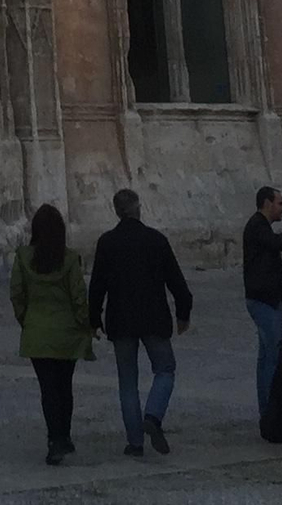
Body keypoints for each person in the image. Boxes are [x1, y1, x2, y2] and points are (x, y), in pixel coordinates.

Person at [88, 188, 192, 458]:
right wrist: (183, 313)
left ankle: (135, 443)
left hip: (121, 320)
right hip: (153, 317)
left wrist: (93, 318)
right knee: (165, 369)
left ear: (116, 211)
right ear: (138, 208)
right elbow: (177, 281)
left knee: (127, 382)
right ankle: (154, 415)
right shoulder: (155, 240)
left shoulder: (107, 242)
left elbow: (97, 284)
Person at [11, 203, 91, 467]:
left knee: (48, 389)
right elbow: (78, 296)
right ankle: (63, 436)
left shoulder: (22, 257)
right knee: (64, 387)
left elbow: (17, 295)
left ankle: (53, 438)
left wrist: (27, 321)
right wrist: (84, 323)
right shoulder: (69, 259)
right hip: (66, 332)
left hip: (37, 331)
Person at [242, 185, 282, 417]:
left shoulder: (259, 226)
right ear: (267, 203)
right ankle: (271, 409)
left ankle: (267, 407)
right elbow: (277, 243)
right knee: (273, 356)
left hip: (266, 296)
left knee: (266, 355)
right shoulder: (258, 225)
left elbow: (264, 263)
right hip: (264, 301)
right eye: (279, 203)